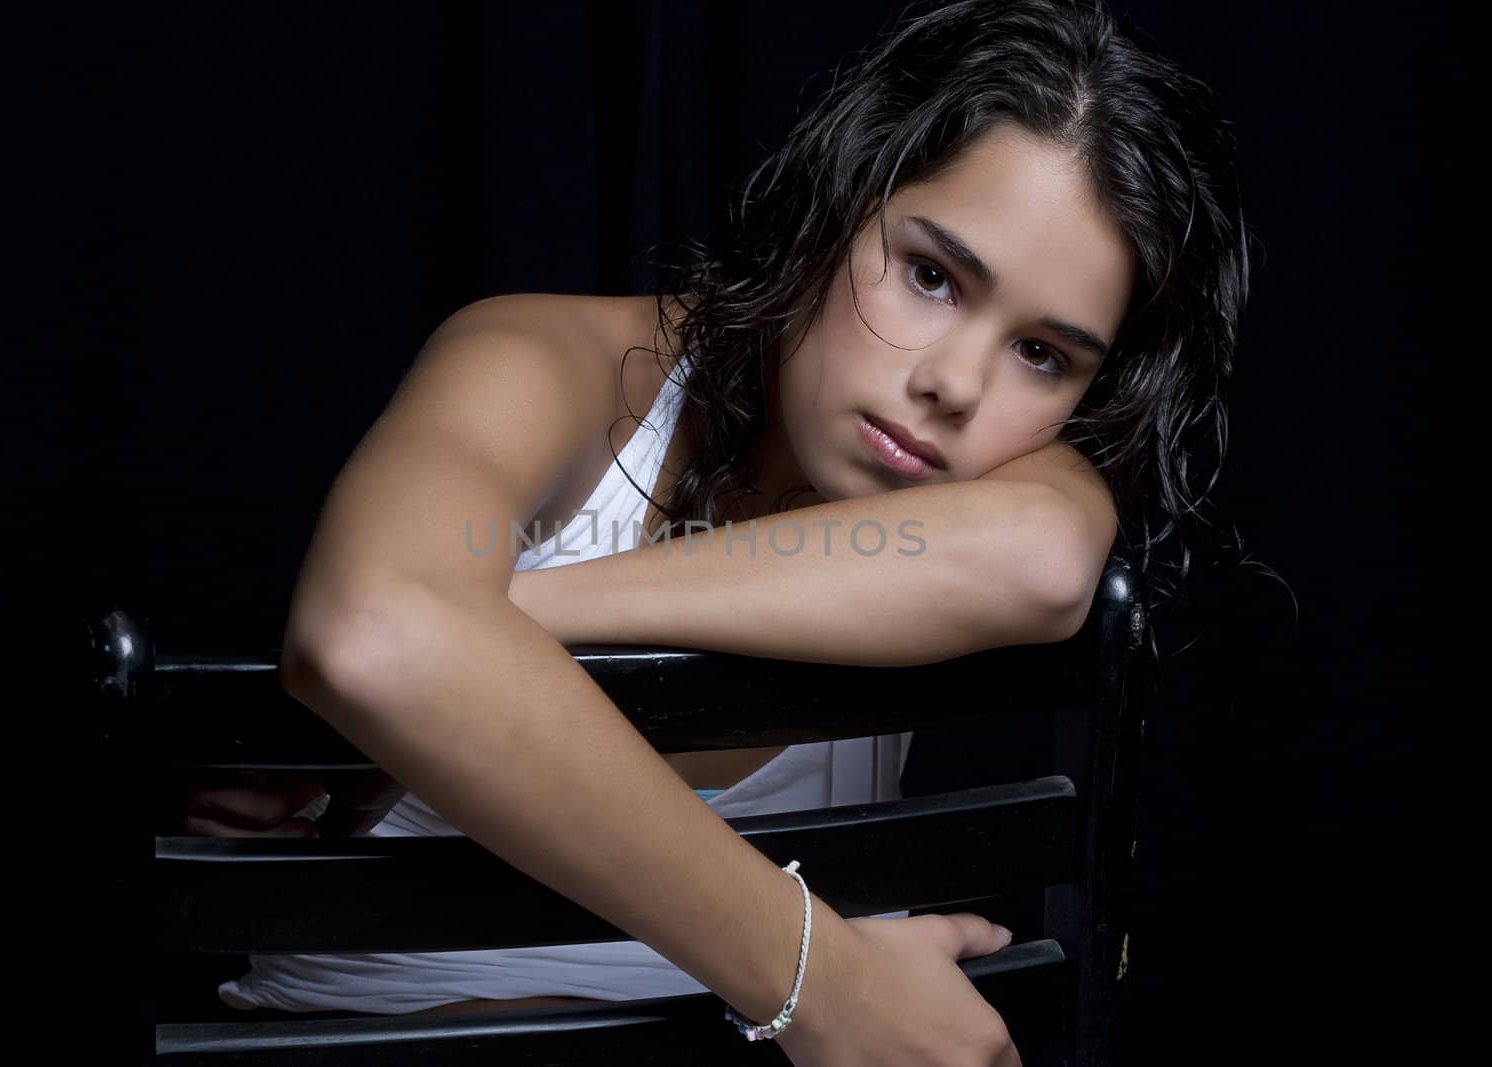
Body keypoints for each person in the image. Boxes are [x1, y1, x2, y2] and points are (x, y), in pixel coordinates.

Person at [183, 0, 1249, 1061]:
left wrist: (507, 616)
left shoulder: (1005, 489)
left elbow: (1047, 561)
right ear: (835, 205)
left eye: (1043, 356)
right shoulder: (547, 363)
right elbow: (374, 632)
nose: (954, 384)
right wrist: (825, 983)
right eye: (930, 275)